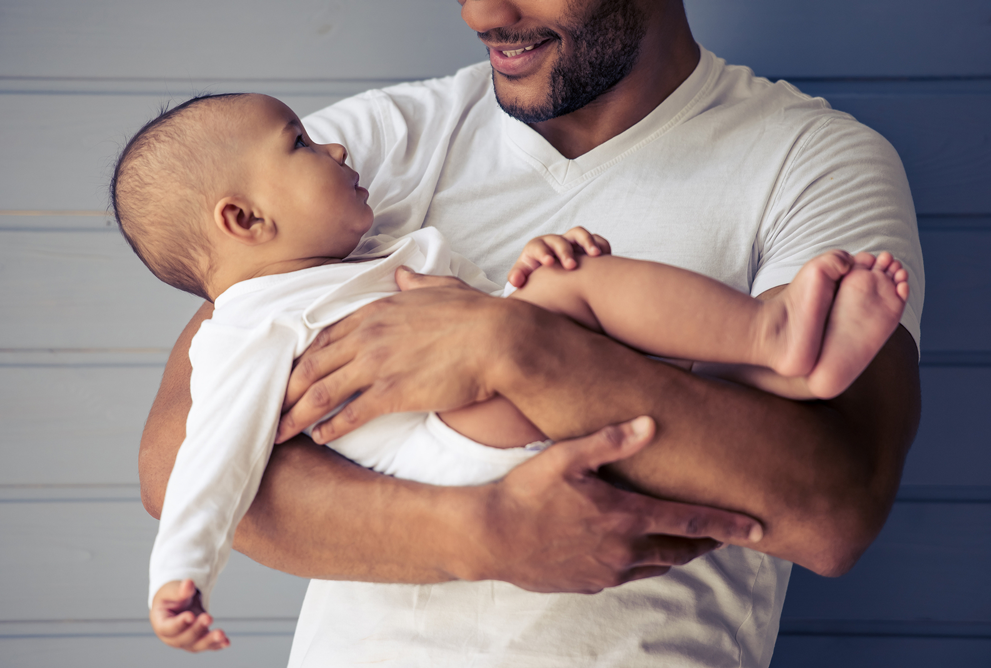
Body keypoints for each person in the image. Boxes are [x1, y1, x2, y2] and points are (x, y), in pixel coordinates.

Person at [136, 1, 925, 665]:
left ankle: (778, 347)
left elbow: (833, 514)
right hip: (432, 490)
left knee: (566, 295)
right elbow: (180, 464)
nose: (484, 14)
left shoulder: (813, 160)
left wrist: (511, 347)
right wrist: (481, 535)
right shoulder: (374, 148)